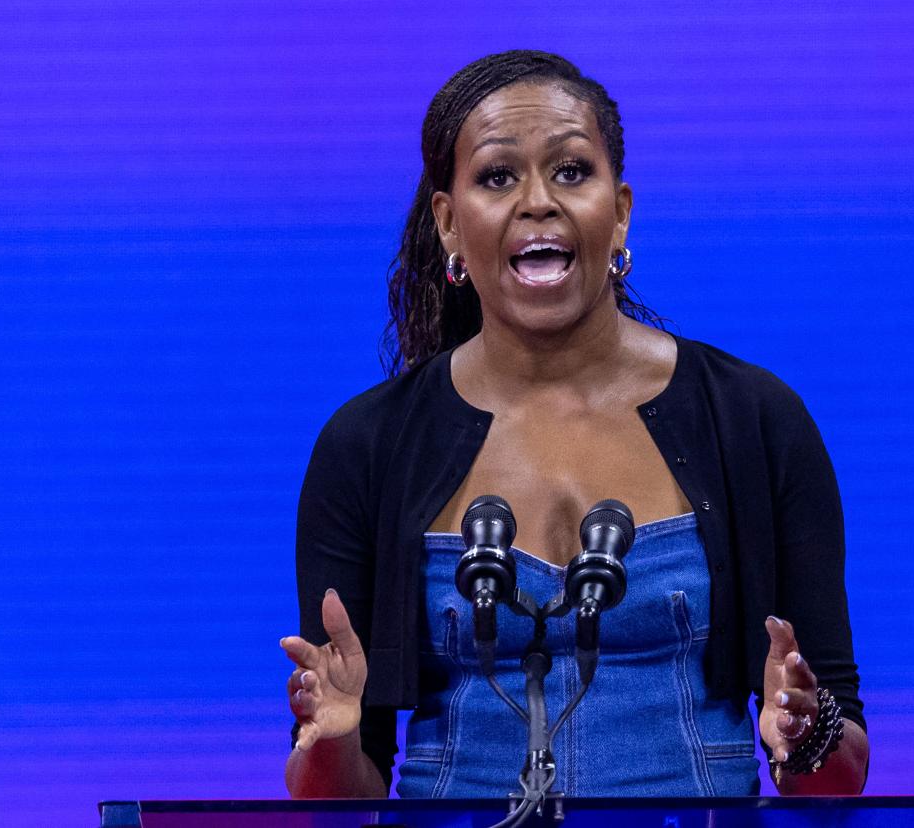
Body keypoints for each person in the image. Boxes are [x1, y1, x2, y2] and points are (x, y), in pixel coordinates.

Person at [279, 50, 868, 799]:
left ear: (619, 210)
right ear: (449, 223)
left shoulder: (753, 420)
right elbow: (337, 796)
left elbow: (840, 771)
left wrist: (807, 730)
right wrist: (331, 739)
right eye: (498, 177)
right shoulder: (366, 447)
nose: (537, 202)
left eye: (571, 172)